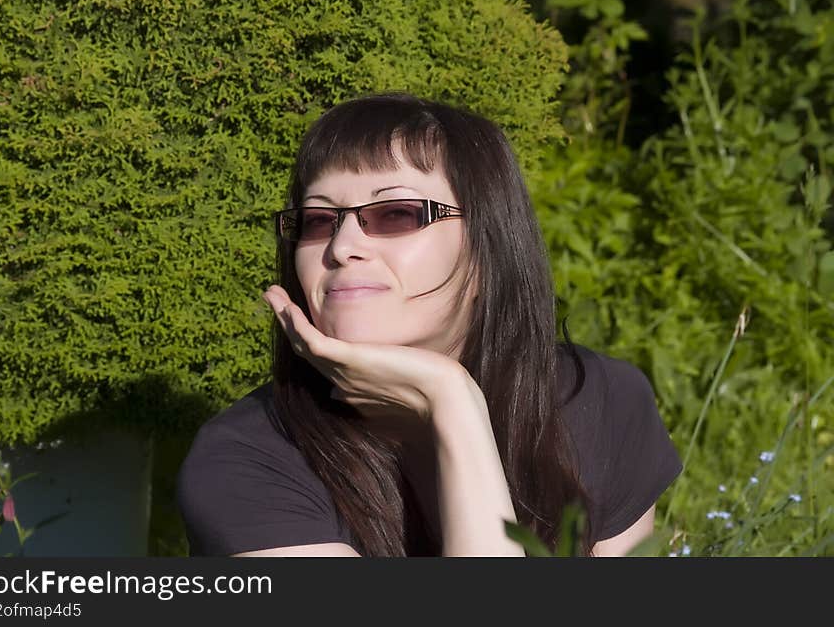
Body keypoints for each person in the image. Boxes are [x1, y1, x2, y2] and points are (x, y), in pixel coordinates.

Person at [176, 92, 683, 557]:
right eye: (318, 220)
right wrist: (452, 399)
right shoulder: (246, 460)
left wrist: (450, 406)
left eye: (396, 213)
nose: (341, 246)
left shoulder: (595, 403)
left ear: (488, 248)